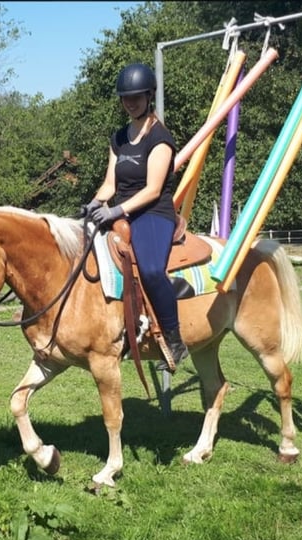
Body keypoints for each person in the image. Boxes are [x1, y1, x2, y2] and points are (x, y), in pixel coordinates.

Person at [83, 62, 188, 372]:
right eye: (126, 98)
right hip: (121, 212)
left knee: (152, 269)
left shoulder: (160, 137)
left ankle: (174, 338)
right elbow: (110, 184)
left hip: (152, 213)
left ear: (149, 96)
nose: (131, 103)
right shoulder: (118, 137)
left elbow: (154, 189)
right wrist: (93, 204)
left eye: (137, 97)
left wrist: (115, 209)